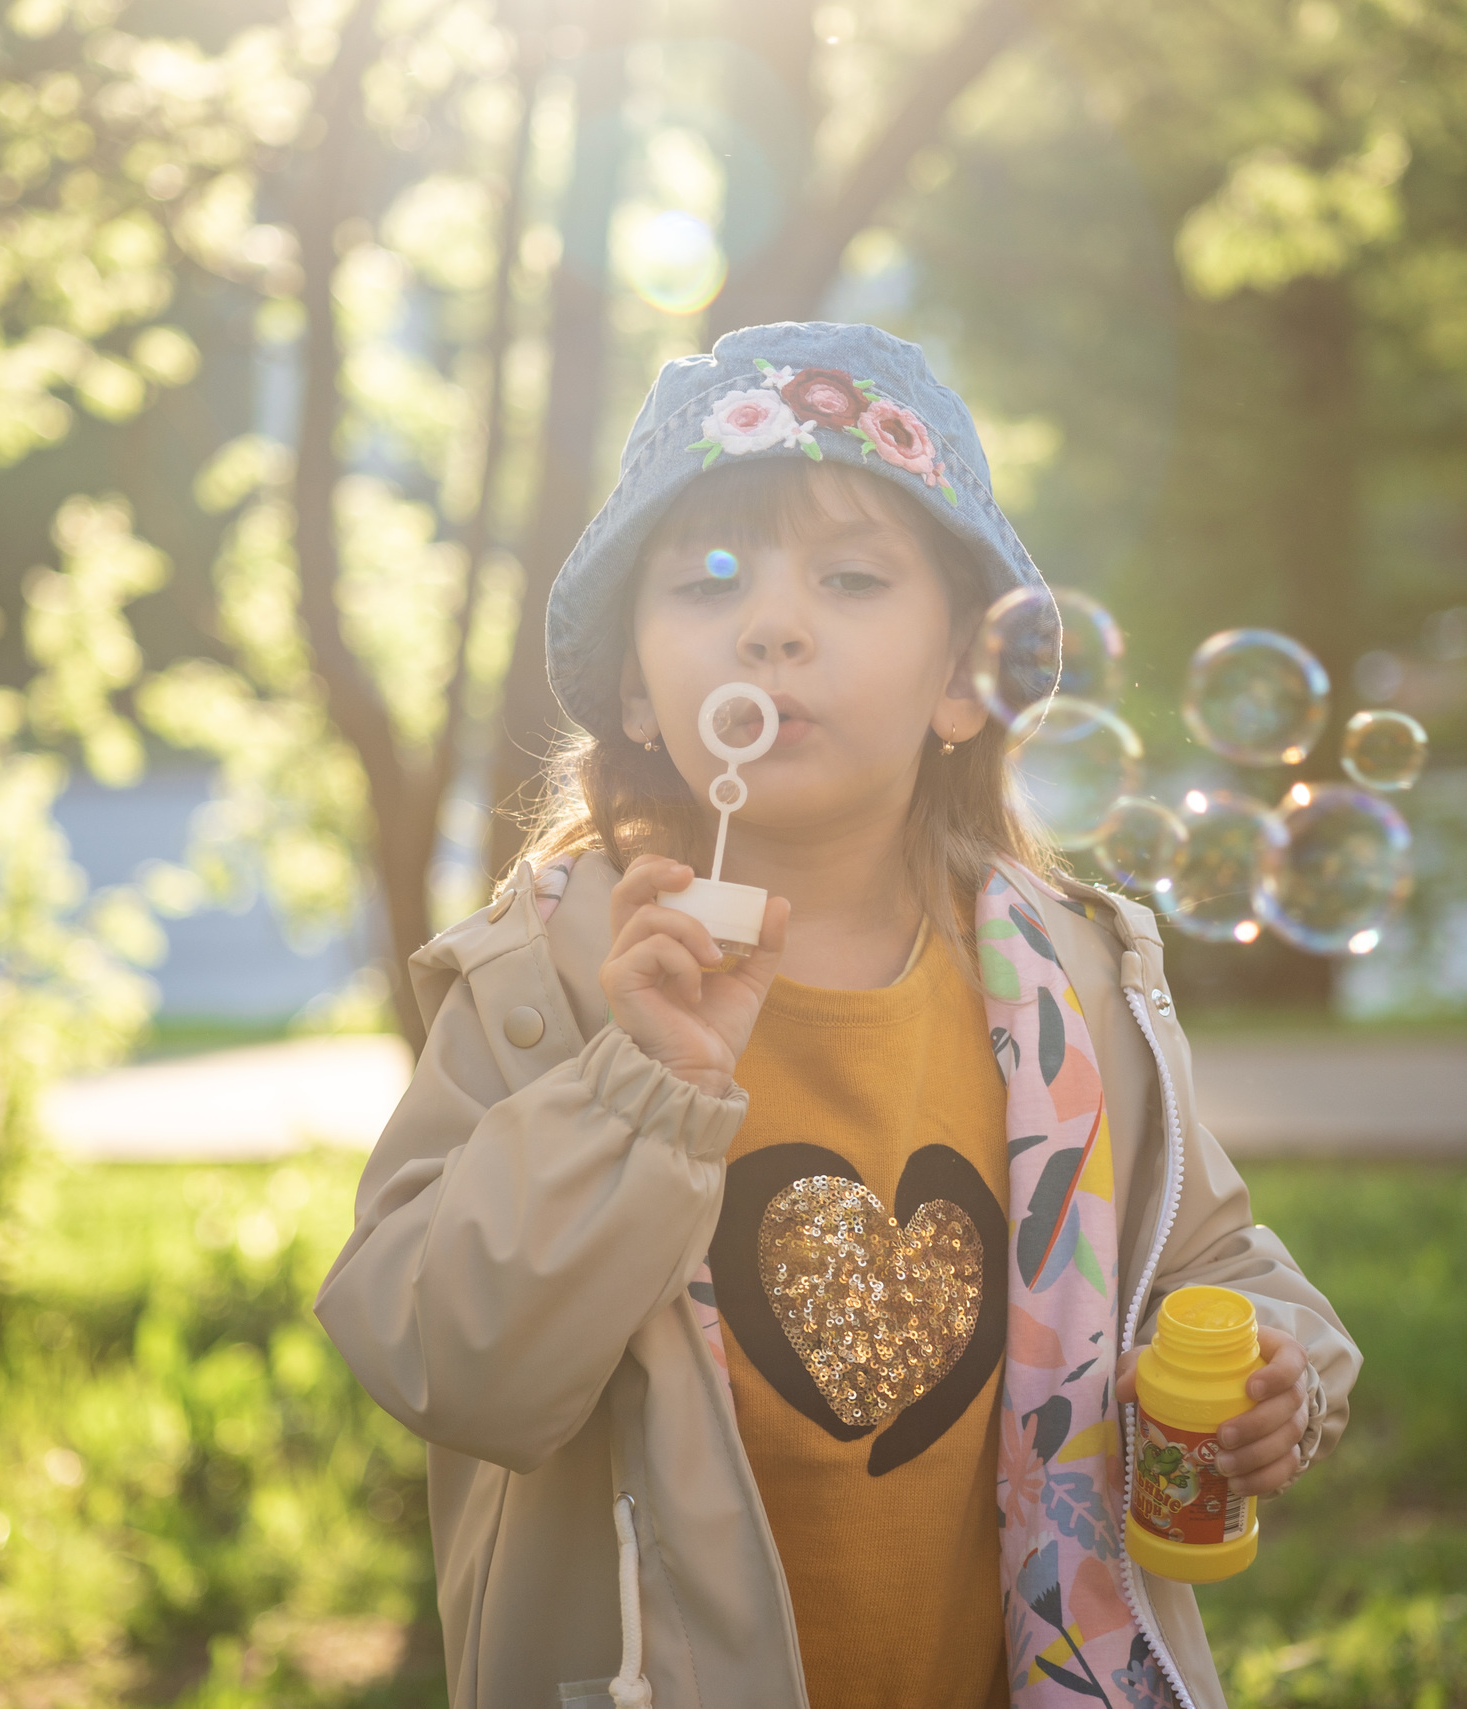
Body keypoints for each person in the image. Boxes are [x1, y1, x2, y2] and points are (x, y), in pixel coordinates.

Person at [317, 321, 1360, 1709]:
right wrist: (641, 1089)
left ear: (963, 681)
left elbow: (1209, 1263)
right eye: (710, 579)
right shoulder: (546, 984)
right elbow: (447, 1363)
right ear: (635, 686)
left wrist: (1271, 1370)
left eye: (853, 577)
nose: (772, 624)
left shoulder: (1067, 985)